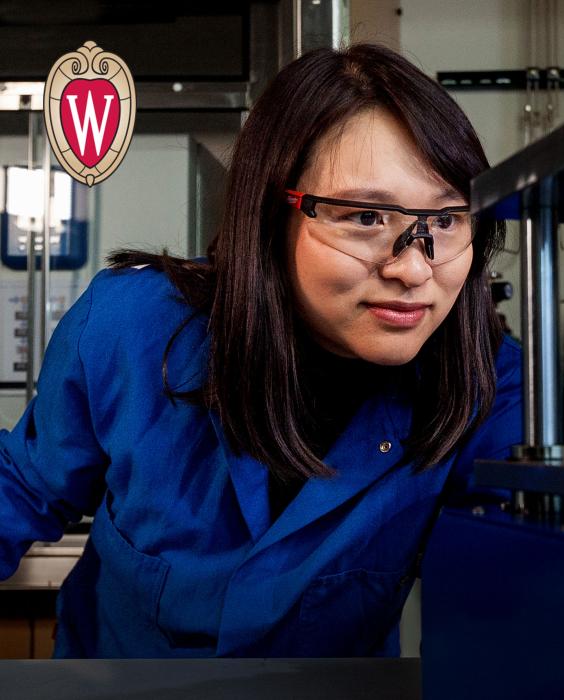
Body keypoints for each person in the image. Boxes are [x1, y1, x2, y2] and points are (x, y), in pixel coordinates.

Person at [0, 43, 522, 658]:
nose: (413, 268)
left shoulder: (484, 382)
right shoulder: (132, 327)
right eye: (363, 216)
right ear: (271, 215)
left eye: (446, 220)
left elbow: (508, 591)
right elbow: (22, 490)